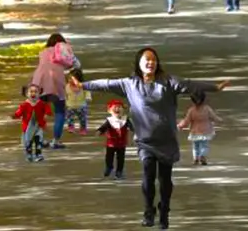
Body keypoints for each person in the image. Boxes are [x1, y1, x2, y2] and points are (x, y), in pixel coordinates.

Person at [71, 47, 230, 229]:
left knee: (165, 181)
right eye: (146, 59)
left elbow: (190, 84)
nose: (150, 62)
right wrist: (82, 85)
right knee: (148, 175)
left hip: (166, 141)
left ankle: (164, 211)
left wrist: (215, 87)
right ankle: (148, 211)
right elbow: (106, 84)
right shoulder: (129, 84)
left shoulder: (169, 82)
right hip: (145, 141)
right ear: (139, 63)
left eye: (153, 59)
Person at [30, 33, 80, 149]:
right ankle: (55, 141)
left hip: (39, 81)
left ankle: (39, 139)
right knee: (59, 111)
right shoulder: (64, 50)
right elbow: (77, 64)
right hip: (56, 82)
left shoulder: (43, 52)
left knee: (39, 111)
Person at [177, 90, 221, 165]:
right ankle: (203, 155)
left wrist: (180, 126)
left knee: (195, 146)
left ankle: (196, 158)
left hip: (195, 132)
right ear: (204, 99)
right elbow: (213, 117)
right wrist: (219, 120)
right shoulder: (207, 109)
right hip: (205, 131)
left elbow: (186, 121)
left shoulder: (191, 111)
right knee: (204, 145)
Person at [97, 99, 134, 179]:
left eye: (119, 107)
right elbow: (104, 127)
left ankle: (119, 171)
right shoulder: (109, 120)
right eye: (115, 107)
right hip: (111, 143)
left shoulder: (125, 119)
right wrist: (100, 131)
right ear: (110, 111)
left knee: (121, 158)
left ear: (123, 110)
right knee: (109, 157)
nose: (117, 109)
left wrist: (134, 133)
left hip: (121, 143)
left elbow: (132, 127)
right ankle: (109, 167)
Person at [14, 83, 51, 162]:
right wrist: (15, 115)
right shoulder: (24, 105)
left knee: (38, 140)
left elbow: (47, 109)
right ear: (27, 94)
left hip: (39, 126)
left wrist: (47, 114)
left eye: (35, 92)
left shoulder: (41, 103)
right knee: (28, 141)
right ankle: (29, 154)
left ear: (39, 93)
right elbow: (19, 112)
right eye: (31, 92)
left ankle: (38, 154)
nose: (33, 93)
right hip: (27, 127)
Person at [65, 68, 92, 135]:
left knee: (83, 119)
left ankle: (83, 129)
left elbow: (87, 92)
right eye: (69, 79)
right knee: (69, 117)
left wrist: (88, 97)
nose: (69, 80)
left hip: (81, 105)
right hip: (70, 106)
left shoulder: (83, 86)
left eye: (72, 79)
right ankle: (71, 127)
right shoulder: (67, 86)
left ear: (78, 79)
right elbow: (65, 94)